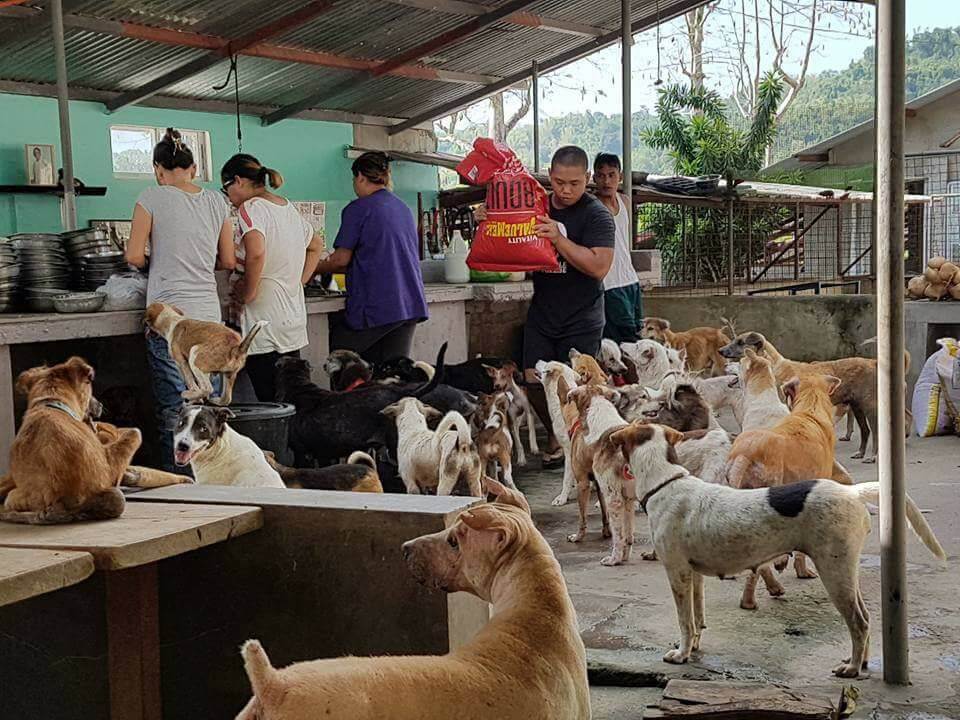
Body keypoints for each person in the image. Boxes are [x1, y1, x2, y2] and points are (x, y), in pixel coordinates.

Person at [126, 128, 235, 473]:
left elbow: (133, 256)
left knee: (175, 412)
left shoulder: (151, 196)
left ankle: (179, 490)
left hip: (171, 323)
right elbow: (229, 260)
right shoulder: (219, 201)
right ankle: (214, 488)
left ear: (158, 169)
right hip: (209, 322)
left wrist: (155, 257)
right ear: (194, 169)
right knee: (208, 413)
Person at [526, 146, 616, 467]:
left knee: (576, 386)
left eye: (574, 183)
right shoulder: (535, 206)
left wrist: (558, 240)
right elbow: (508, 239)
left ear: (587, 179)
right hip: (543, 311)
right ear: (550, 176)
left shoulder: (597, 215)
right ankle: (558, 431)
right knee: (532, 378)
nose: (565, 190)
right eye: (559, 182)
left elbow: (598, 266)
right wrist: (490, 219)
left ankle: (582, 447)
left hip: (583, 315)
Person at [221, 154, 325, 402]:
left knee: (270, 402)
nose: (229, 198)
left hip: (263, 322)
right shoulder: (286, 207)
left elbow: (256, 253)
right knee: (291, 399)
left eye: (226, 190)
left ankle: (276, 442)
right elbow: (317, 245)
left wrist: (248, 292)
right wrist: (297, 282)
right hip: (291, 320)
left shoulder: (251, 208)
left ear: (237, 181)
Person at [312, 151, 428, 363]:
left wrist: (309, 267)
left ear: (361, 177)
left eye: (354, 180)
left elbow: (340, 260)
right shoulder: (402, 208)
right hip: (410, 303)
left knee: (340, 360)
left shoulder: (358, 208)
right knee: (394, 375)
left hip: (378, 304)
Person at [593, 153, 643, 342]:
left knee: (638, 333)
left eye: (611, 175)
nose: (606, 181)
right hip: (609, 283)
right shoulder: (591, 206)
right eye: (601, 175)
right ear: (594, 178)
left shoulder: (625, 201)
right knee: (623, 338)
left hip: (630, 279)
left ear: (620, 177)